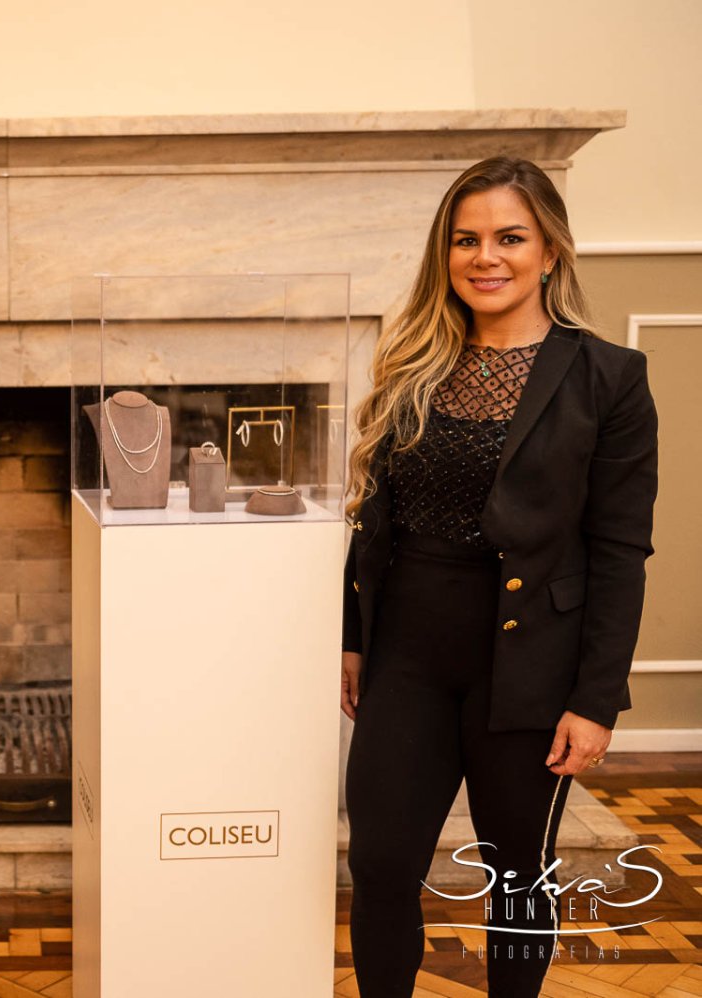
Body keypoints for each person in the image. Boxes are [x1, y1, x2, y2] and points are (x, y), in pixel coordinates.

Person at [340, 156, 658, 997]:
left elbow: (620, 550)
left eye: (510, 238)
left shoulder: (610, 378)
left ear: (550, 251)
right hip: (407, 656)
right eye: (466, 240)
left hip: (533, 668)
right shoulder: (411, 361)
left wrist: (596, 700)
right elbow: (372, 516)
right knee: (380, 866)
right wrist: (352, 637)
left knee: (517, 879)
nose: (486, 257)